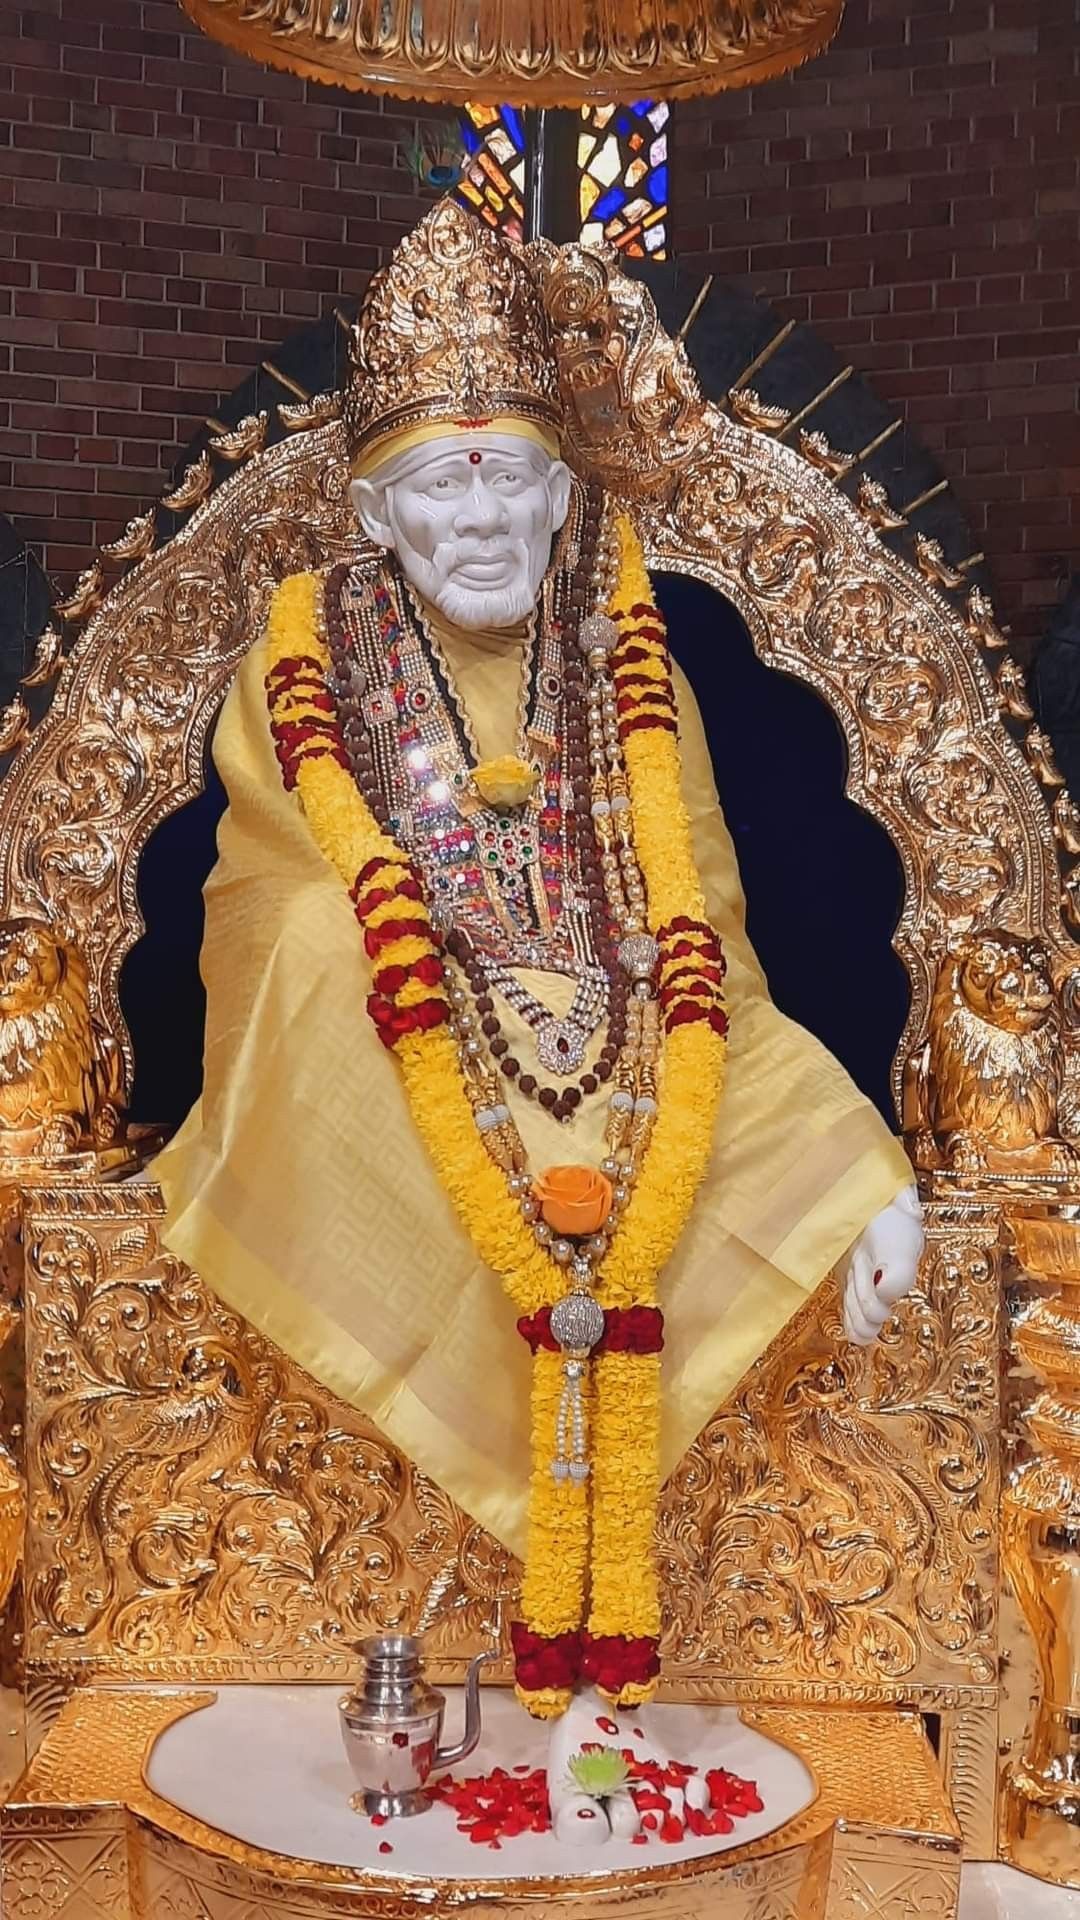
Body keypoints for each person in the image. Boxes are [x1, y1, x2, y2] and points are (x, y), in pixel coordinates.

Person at [155, 200, 922, 1726]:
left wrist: (855, 1157)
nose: (486, 522)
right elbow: (274, 922)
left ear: (566, 502)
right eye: (445, 486)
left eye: (512, 479)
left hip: (635, 1060)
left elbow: (707, 946)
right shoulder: (298, 664)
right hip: (399, 1065)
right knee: (319, 948)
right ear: (376, 517)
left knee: (772, 1120)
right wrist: (434, 968)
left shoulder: (632, 669)